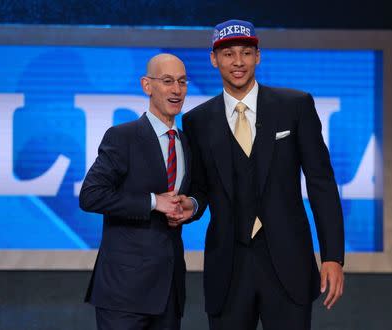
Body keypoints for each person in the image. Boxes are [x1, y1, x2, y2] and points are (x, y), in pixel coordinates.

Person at [176, 19, 345, 330]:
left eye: (245, 52)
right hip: (228, 268)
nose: (238, 62)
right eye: (228, 54)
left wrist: (333, 256)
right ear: (214, 60)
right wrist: (193, 206)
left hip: (289, 264)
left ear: (258, 56)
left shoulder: (295, 106)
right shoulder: (197, 121)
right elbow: (200, 188)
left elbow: (321, 183)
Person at [79, 53, 192, 330]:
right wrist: (154, 202)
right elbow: (91, 195)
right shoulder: (123, 137)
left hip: (169, 291)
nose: (176, 90)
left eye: (182, 82)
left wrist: (193, 205)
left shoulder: (189, 141)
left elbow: (198, 191)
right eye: (167, 81)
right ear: (147, 85)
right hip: (124, 293)